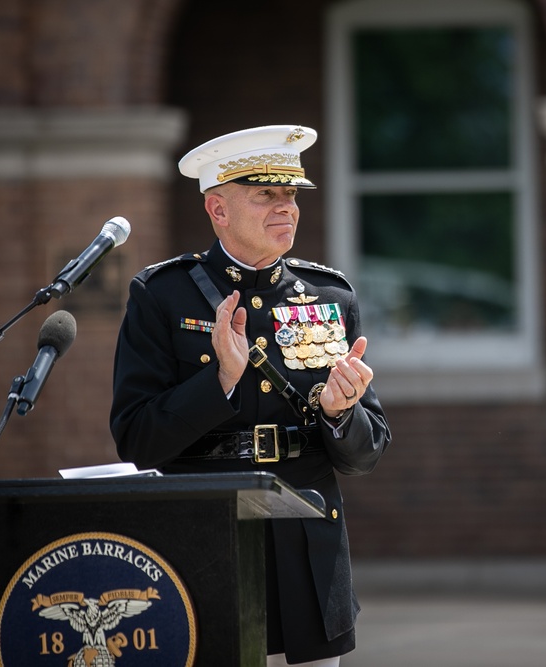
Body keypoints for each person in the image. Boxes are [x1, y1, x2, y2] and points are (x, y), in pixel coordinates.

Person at [109, 125, 392, 666]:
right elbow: (137, 439)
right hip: (206, 533)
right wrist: (219, 382)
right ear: (218, 209)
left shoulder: (330, 296)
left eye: (290, 194)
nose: (285, 206)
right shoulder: (163, 295)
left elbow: (368, 453)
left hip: (307, 541)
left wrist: (340, 413)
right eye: (265, 193)